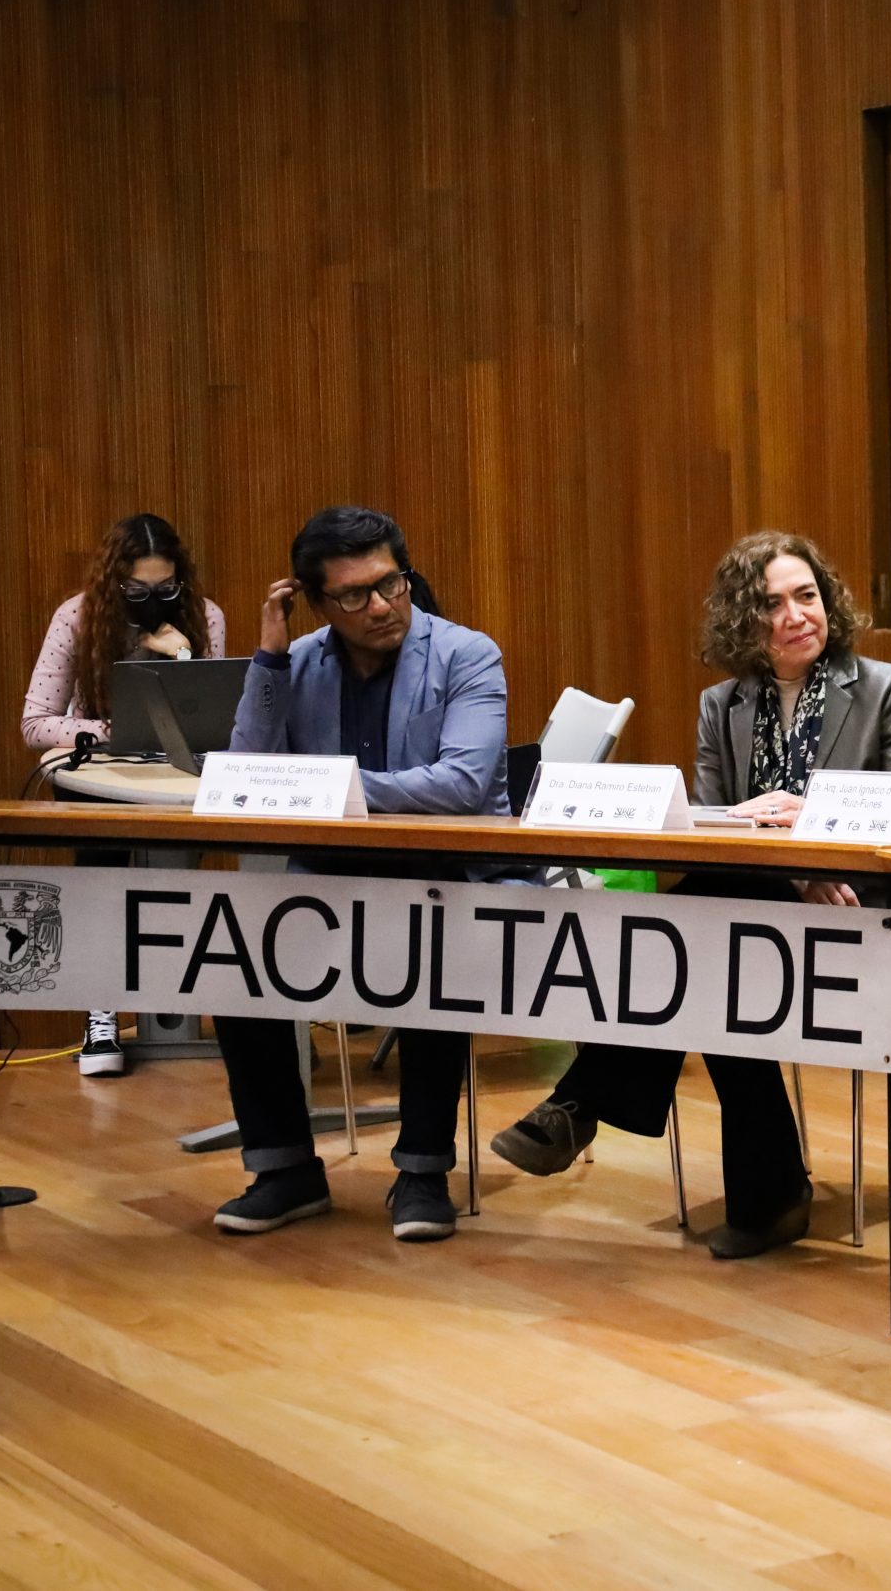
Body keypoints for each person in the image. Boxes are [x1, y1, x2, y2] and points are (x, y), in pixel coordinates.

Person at [490, 532, 891, 1259]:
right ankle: (767, 1195)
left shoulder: (882, 687)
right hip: (759, 909)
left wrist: (817, 826)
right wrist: (792, 871)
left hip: (868, 906)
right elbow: (711, 828)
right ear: (743, 618)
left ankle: (583, 1102)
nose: (798, 614)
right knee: (720, 940)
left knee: (706, 930)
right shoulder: (722, 706)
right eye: (773, 603)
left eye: (808, 596)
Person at [209, 507, 511, 1244]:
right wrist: (270, 660)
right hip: (331, 876)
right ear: (316, 602)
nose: (380, 606)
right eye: (353, 595)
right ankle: (285, 1168)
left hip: (444, 871)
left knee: (434, 947)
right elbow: (249, 772)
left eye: (390, 583)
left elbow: (462, 785)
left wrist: (324, 788)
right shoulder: (301, 660)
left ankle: (421, 1169)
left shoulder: (468, 654)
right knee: (233, 963)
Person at [21, 512, 229, 1077]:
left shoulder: (204, 617)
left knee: (177, 886)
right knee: (99, 887)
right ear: (115, 582)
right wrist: (116, 733)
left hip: (176, 780)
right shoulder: (77, 618)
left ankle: (174, 1005)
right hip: (98, 781)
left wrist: (183, 658)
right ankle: (102, 1013)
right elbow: (36, 722)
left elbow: (209, 718)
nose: (152, 601)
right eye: (137, 591)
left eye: (165, 590)